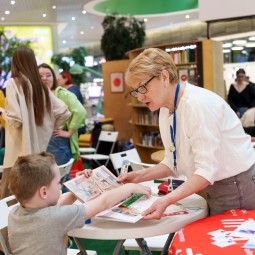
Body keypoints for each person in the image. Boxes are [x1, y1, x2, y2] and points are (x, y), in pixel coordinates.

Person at [117, 48, 255, 217]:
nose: (139, 96)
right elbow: (172, 161)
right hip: (215, 185)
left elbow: (206, 171)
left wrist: (166, 200)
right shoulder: (165, 108)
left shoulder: (197, 105)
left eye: (142, 87)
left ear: (164, 77)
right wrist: (139, 176)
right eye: (135, 91)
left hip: (235, 185)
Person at [8, 151, 151, 255]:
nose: (60, 186)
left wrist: (77, 187)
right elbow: (103, 202)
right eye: (58, 183)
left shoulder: (15, 214)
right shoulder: (54, 218)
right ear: (43, 192)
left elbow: (55, 209)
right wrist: (129, 187)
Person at [0, 46, 71, 199]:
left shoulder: (13, 83)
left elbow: (15, 120)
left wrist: (3, 113)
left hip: (17, 158)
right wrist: (49, 128)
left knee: (8, 204)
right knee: (33, 202)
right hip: (39, 158)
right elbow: (63, 111)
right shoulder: (41, 87)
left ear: (15, 62)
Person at [38, 63, 86, 165]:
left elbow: (81, 111)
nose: (45, 78)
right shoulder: (37, 95)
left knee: (60, 176)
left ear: (53, 78)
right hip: (41, 140)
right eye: (41, 76)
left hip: (56, 141)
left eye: (48, 75)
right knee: (45, 177)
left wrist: (69, 132)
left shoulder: (62, 93)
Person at [57, 72, 86, 136]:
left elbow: (80, 111)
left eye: (59, 79)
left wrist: (69, 133)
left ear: (66, 79)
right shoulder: (72, 89)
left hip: (75, 127)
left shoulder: (70, 92)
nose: (57, 81)